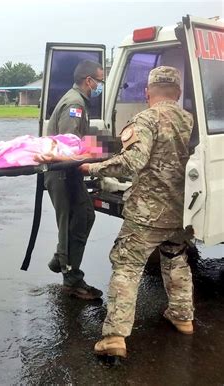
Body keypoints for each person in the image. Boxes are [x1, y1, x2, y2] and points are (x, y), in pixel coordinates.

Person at [79, 66, 194, 358]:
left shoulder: (146, 118)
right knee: (175, 257)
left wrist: (94, 167)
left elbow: (131, 162)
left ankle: (114, 337)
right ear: (178, 93)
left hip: (148, 213)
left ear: (147, 93)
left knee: (127, 266)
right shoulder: (190, 120)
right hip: (183, 210)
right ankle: (182, 316)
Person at [44, 60, 104, 299]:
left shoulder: (78, 101)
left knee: (84, 216)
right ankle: (72, 278)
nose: (100, 85)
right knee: (73, 221)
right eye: (99, 80)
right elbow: (68, 147)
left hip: (68, 172)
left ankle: (61, 258)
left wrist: (100, 148)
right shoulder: (75, 104)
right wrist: (92, 158)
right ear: (88, 80)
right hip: (63, 173)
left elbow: (77, 141)